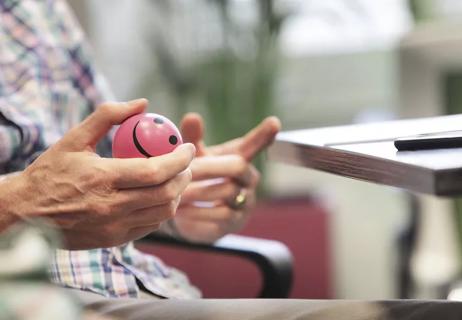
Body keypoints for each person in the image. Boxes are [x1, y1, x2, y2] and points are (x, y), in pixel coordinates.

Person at [1, 0, 462, 319]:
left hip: (142, 286)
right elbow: (45, 196)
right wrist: (17, 203)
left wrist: (167, 199)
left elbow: (94, 165)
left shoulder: (36, 10)